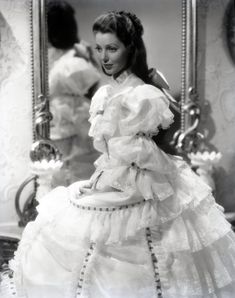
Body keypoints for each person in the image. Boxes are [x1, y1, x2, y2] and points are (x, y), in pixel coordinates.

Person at [10, 11, 235, 298]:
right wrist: (97, 181)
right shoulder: (107, 92)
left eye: (112, 48)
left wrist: (107, 183)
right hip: (117, 178)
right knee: (67, 212)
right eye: (99, 49)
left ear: (131, 48)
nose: (104, 57)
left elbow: (140, 156)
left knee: (124, 241)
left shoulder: (141, 95)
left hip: (140, 186)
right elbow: (113, 154)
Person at [47, 0, 100, 187]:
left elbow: (92, 92)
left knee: (69, 175)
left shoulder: (72, 61)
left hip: (71, 126)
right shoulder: (58, 56)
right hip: (59, 124)